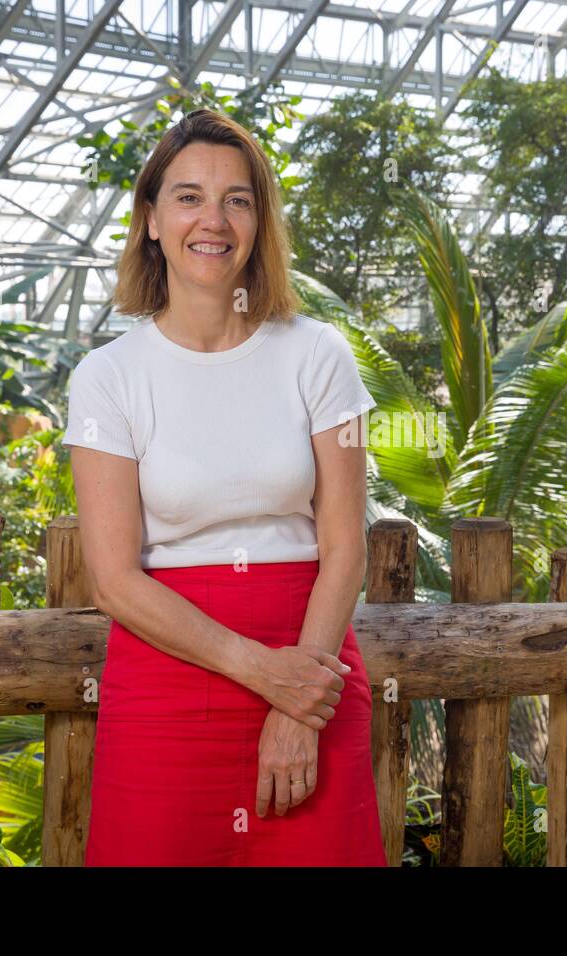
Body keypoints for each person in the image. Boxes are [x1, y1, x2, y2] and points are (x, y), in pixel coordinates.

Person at [62, 108, 386, 866]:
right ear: (150, 219)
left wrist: (299, 699)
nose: (214, 220)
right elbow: (112, 580)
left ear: (260, 221)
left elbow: (345, 545)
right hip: (166, 685)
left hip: (315, 665)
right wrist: (260, 671)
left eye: (237, 199)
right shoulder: (108, 378)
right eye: (188, 197)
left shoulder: (318, 355)